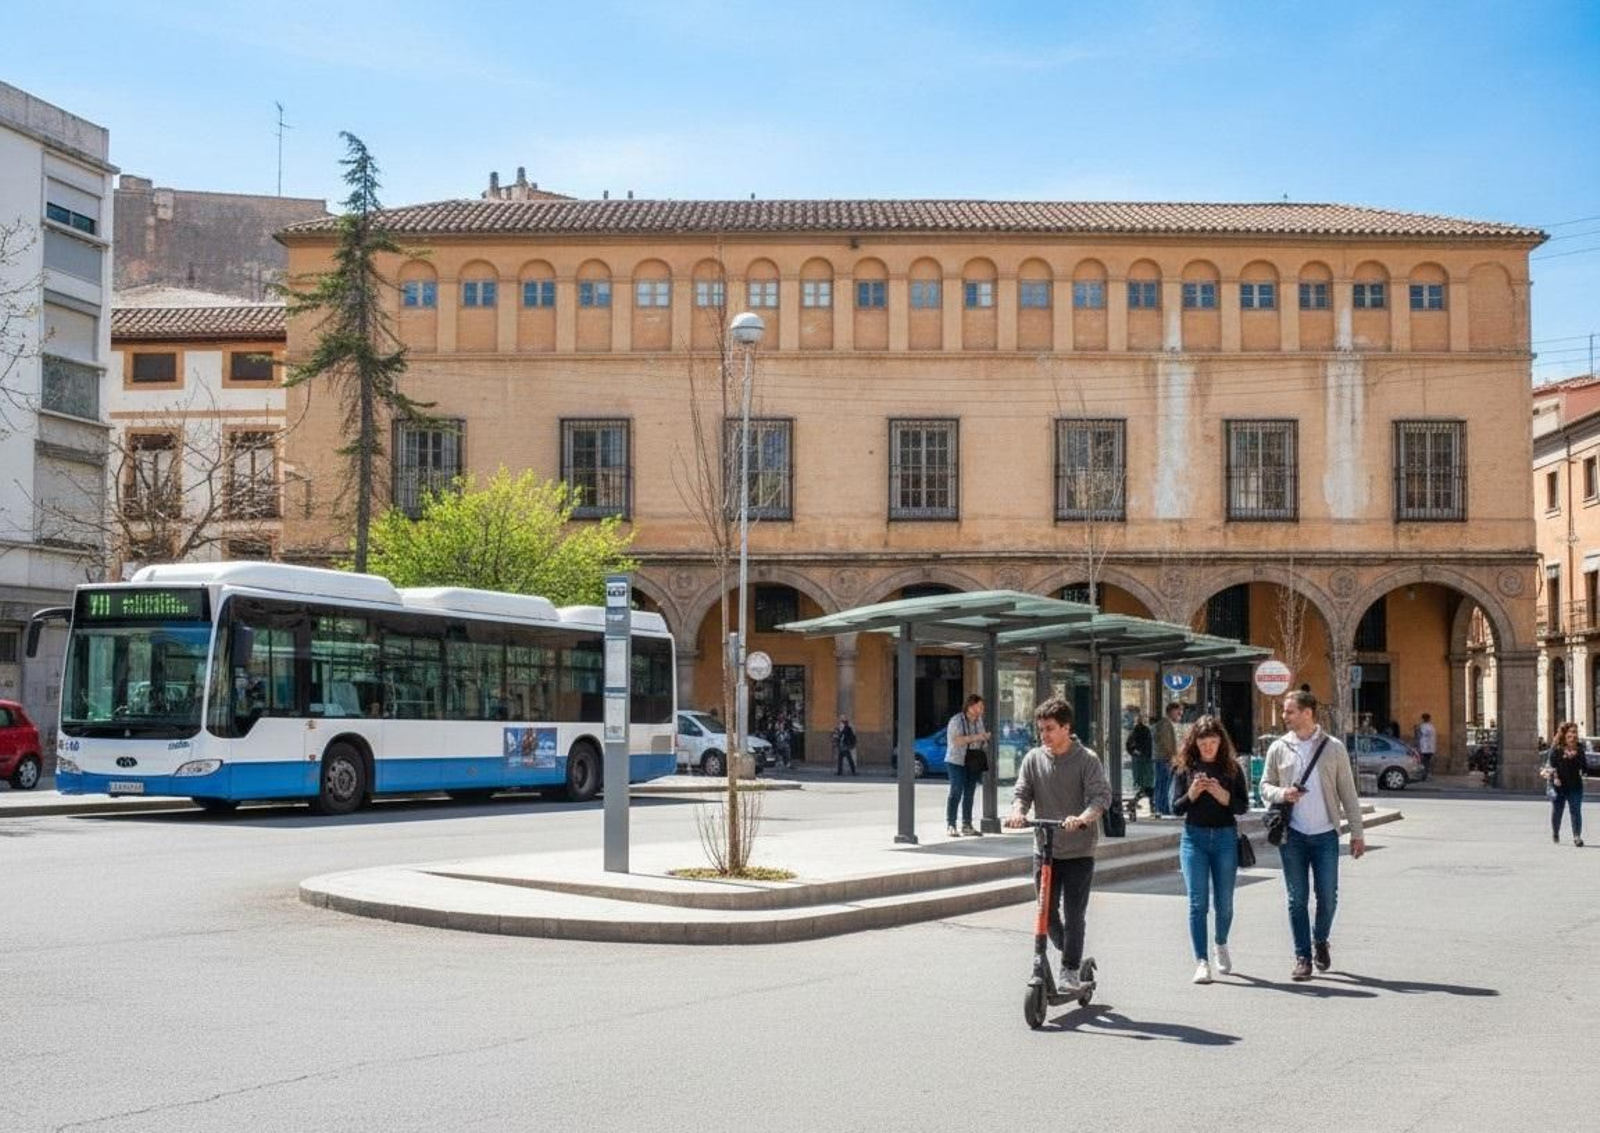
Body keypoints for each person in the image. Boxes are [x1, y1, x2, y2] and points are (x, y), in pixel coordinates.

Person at [1004, 696, 1113, 991]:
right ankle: (1072, 955)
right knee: (1046, 912)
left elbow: (1100, 797)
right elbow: (1022, 792)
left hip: (1078, 850)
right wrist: (1017, 812)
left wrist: (1082, 818)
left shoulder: (1086, 759)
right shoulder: (1033, 758)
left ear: (1066, 727)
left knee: (1074, 913)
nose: (1045, 735)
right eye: (1041, 729)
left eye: (1050, 728)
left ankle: (1069, 969)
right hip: (1046, 849)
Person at [1261, 689, 1366, 982]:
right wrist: (1283, 793)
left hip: (1325, 835)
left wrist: (1357, 832)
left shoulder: (1333, 748)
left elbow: (1348, 792)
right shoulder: (1279, 747)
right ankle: (1303, 957)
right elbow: (1264, 786)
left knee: (1328, 898)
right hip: (1292, 834)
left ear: (1308, 713)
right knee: (1297, 899)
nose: (1284, 716)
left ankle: (1320, 939)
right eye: (1285, 711)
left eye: (1289, 711)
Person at [1171, 715, 1250, 983]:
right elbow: (1173, 807)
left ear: (1220, 742)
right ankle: (1201, 961)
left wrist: (1221, 794)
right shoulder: (1185, 768)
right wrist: (1192, 793)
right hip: (1194, 839)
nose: (1208, 747)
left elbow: (1242, 806)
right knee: (1197, 903)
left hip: (1225, 838)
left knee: (1224, 903)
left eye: (1213, 741)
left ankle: (1221, 943)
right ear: (1195, 742)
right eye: (1203, 741)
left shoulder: (1231, 769)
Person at [945, 694, 991, 836]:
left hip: (972, 760)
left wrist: (984, 739)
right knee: (956, 790)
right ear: (970, 707)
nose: (981, 709)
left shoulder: (978, 721)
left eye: (982, 707)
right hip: (956, 760)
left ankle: (967, 824)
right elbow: (956, 741)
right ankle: (951, 824)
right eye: (979, 706)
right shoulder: (957, 720)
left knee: (970, 792)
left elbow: (980, 737)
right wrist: (978, 737)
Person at [1542, 721, 1586, 846]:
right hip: (1559, 785)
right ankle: (1555, 832)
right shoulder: (1556, 749)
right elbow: (1550, 765)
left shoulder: (1579, 748)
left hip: (1575, 785)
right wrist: (1555, 777)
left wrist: (1576, 757)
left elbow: (1584, 766)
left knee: (1576, 810)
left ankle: (1577, 836)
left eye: (1575, 732)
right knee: (1557, 811)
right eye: (1571, 732)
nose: (1574, 735)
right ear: (1565, 734)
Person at [1152, 702, 1185, 816]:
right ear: (1171, 711)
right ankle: (1163, 809)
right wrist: (1173, 757)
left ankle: (1161, 808)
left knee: (1162, 784)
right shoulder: (1166, 724)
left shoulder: (1164, 724)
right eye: (1178, 711)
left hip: (1162, 758)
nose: (1180, 714)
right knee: (1164, 785)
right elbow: (1167, 743)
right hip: (1164, 759)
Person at [1124, 708, 1154, 814]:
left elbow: (1129, 745)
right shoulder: (1144, 730)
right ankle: (1150, 805)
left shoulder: (1136, 730)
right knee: (1148, 785)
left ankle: (1138, 802)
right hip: (1146, 760)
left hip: (1142, 759)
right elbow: (1148, 746)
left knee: (1145, 785)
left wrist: (1134, 753)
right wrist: (1140, 753)